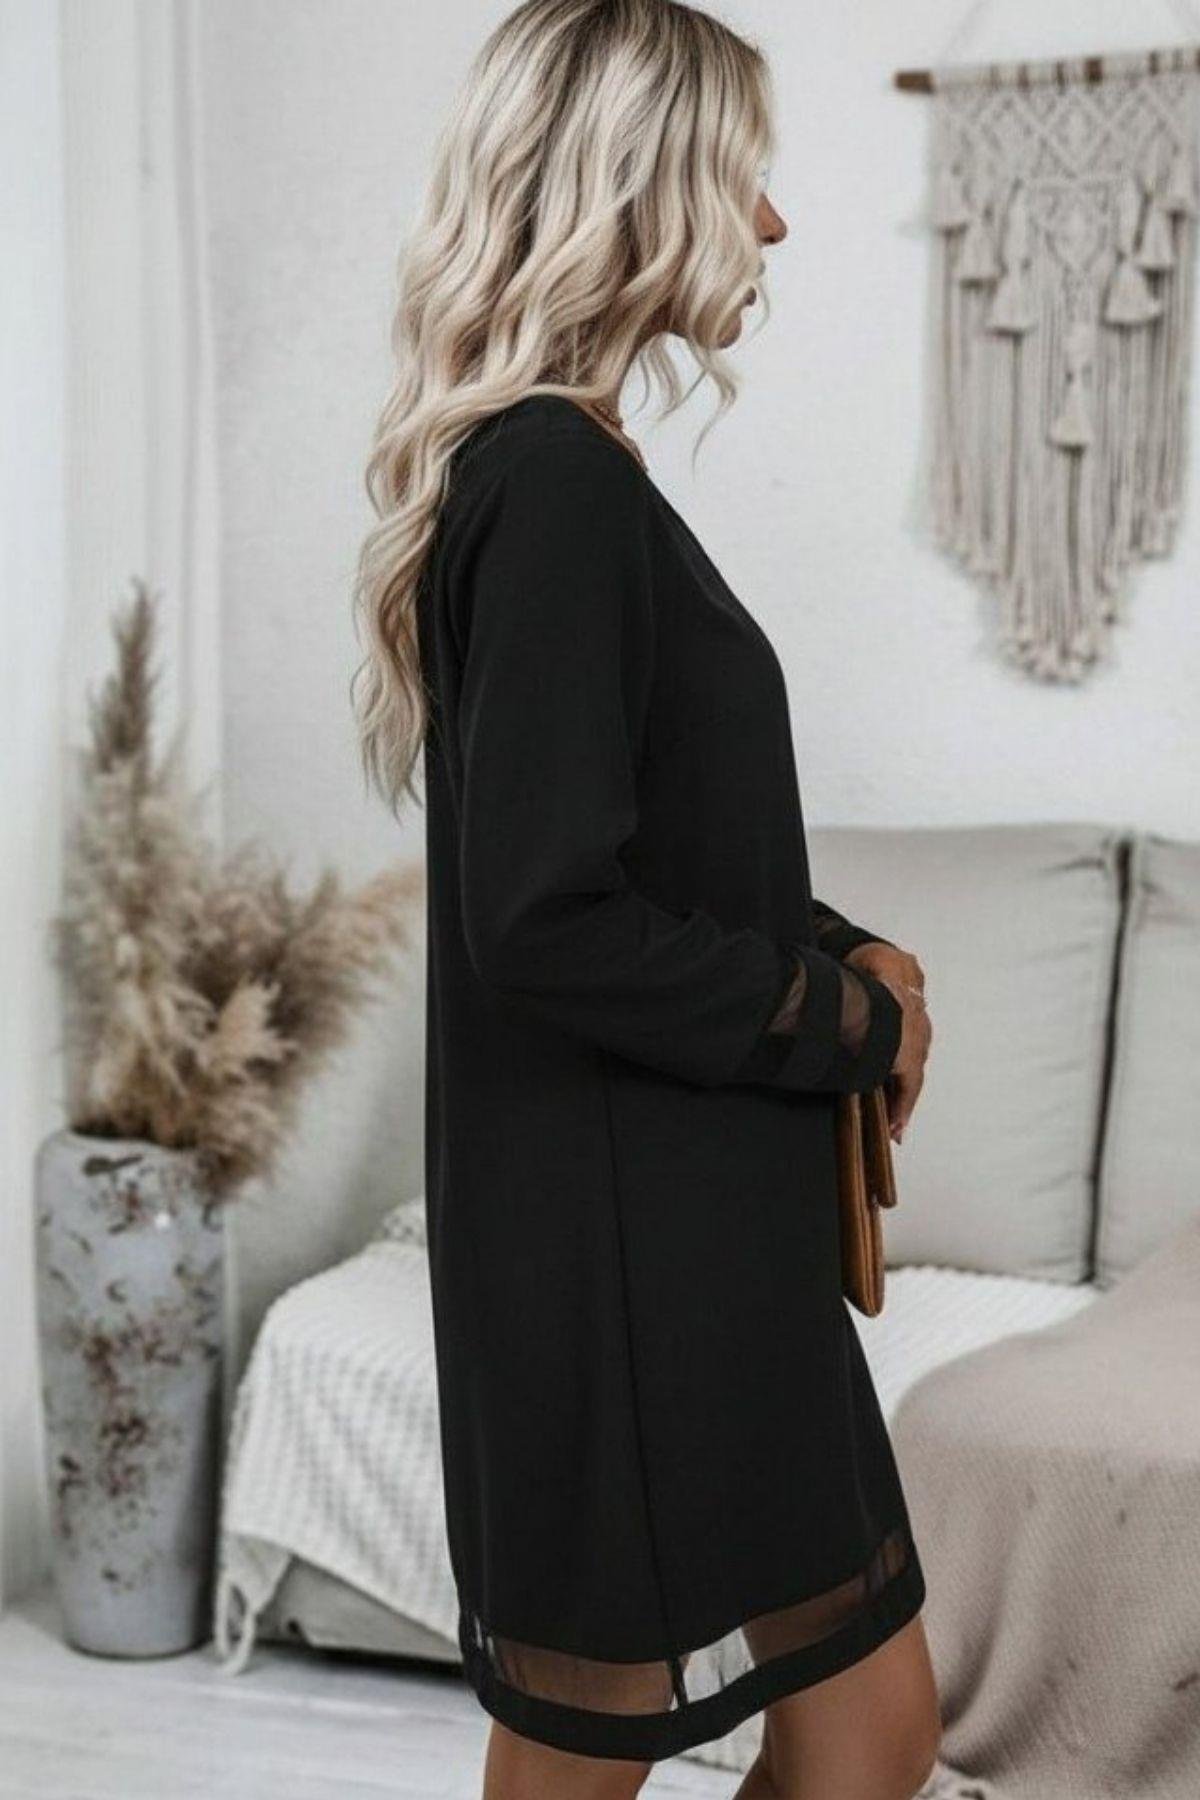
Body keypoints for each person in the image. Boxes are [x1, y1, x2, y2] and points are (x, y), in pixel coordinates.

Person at [351, 2, 938, 1795]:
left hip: (700, 1228)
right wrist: (843, 1021)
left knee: (872, 1733)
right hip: (630, 1255)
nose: (773, 222)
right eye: (745, 175)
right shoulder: (551, 484)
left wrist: (835, 950)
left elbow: (641, 851)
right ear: (642, 183)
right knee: (615, 1753)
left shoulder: (565, 476)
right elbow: (545, 918)